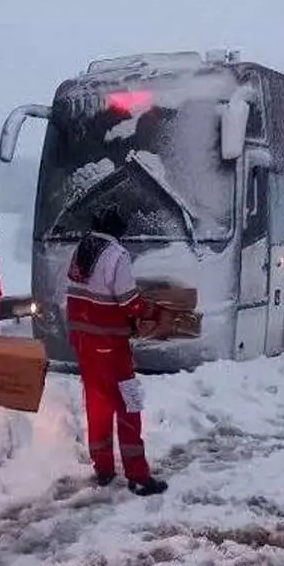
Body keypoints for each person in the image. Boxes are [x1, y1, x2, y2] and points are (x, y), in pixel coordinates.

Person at [65, 206, 168, 497]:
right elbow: (129, 302)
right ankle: (137, 475)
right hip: (110, 346)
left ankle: (104, 468)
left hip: (84, 343)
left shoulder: (81, 250)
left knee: (97, 405)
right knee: (129, 406)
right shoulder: (116, 255)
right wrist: (153, 309)